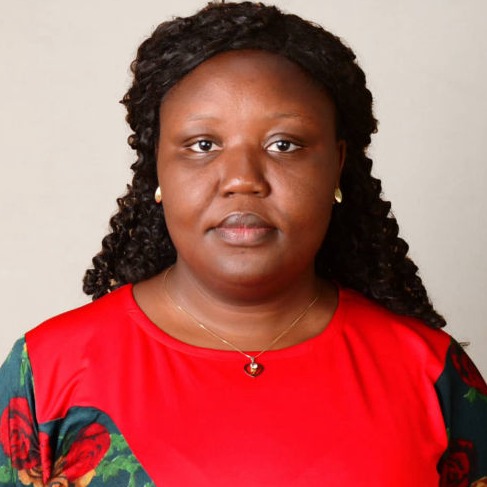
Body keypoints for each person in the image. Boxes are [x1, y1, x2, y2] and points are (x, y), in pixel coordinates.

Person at [1, 2, 486, 486]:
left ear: (337, 166)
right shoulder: (46, 370)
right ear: (157, 169)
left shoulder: (430, 370)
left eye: (283, 145)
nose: (242, 179)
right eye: (203, 145)